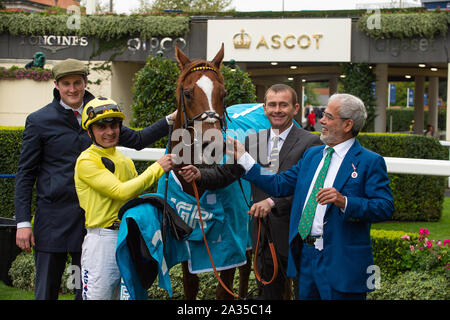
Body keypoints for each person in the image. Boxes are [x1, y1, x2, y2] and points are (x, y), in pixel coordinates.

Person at [14, 58, 176, 300]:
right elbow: (26, 173)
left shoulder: (102, 113)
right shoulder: (39, 120)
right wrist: (23, 222)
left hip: (91, 224)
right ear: (56, 85)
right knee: (46, 292)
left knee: (86, 292)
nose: (72, 89)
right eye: (66, 84)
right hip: (54, 221)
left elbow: (139, 140)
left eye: (77, 83)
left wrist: (171, 120)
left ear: (85, 82)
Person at [229, 93, 394, 300]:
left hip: (341, 263)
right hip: (306, 258)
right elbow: (278, 184)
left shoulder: (370, 161)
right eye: (323, 115)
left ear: (347, 125)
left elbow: (385, 207)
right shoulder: (313, 155)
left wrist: (344, 201)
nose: (321, 120)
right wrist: (246, 159)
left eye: (328, 116)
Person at [179, 84, 322, 299]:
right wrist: (199, 176)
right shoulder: (254, 140)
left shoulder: (312, 142)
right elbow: (227, 173)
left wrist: (273, 202)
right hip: (263, 237)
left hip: (296, 237)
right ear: (264, 109)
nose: (277, 110)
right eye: (272, 105)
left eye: (283, 105)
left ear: (295, 108)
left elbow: (309, 190)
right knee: (267, 296)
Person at [74, 97, 174, 300]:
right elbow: (121, 191)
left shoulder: (123, 159)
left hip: (128, 236)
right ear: (89, 131)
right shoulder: (86, 160)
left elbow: (134, 196)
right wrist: (157, 168)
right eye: (101, 127)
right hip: (102, 240)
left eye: (114, 125)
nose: (109, 132)